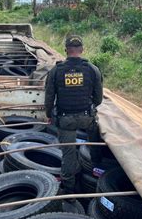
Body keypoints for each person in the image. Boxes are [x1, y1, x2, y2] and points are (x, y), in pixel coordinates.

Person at [44, 35, 103, 194]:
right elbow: (98, 98)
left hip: (65, 120)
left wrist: (49, 114)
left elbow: (49, 97)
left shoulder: (56, 71)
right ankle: (96, 167)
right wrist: (89, 109)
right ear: (82, 50)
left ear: (66, 51)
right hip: (86, 118)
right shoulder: (92, 69)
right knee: (94, 142)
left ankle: (69, 191)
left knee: (68, 155)